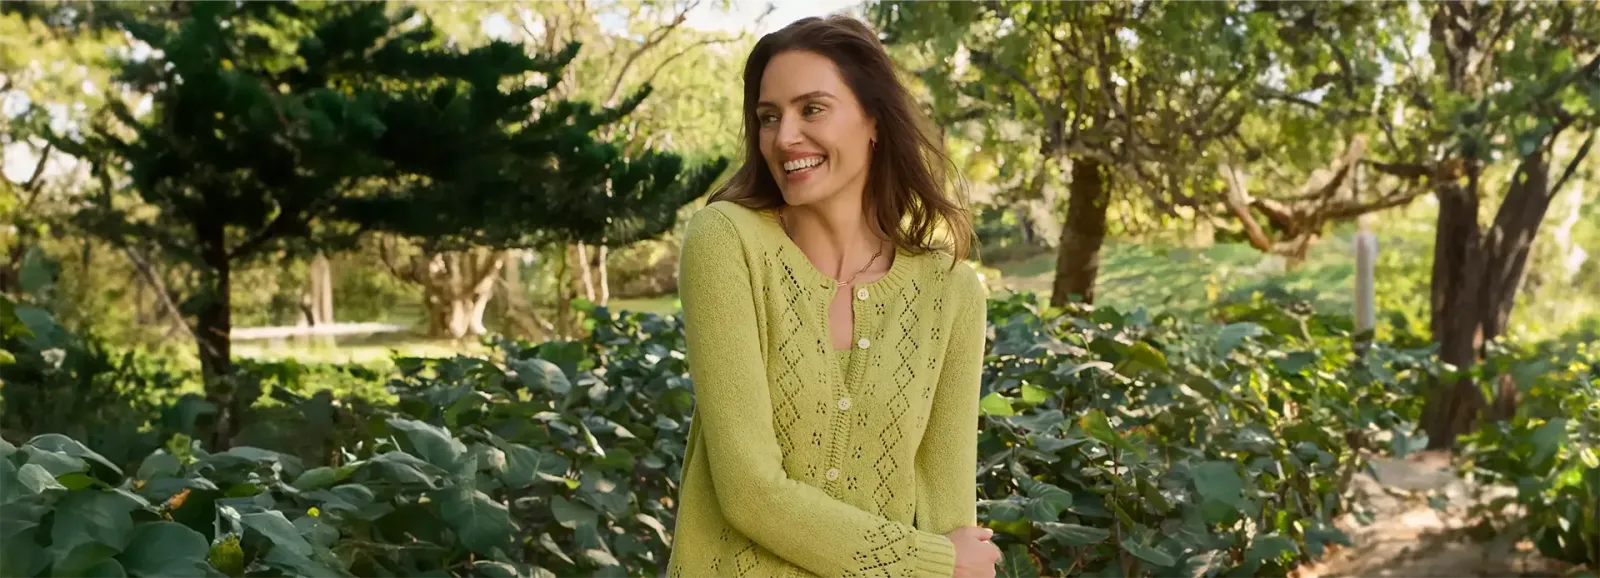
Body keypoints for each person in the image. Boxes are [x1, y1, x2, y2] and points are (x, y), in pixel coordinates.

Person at [667, 14, 1000, 578]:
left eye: (811, 109)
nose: (785, 136)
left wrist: (947, 557)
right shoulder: (727, 241)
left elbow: (948, 510)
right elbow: (749, 492)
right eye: (769, 117)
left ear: (873, 120)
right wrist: (935, 562)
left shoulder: (952, 292)